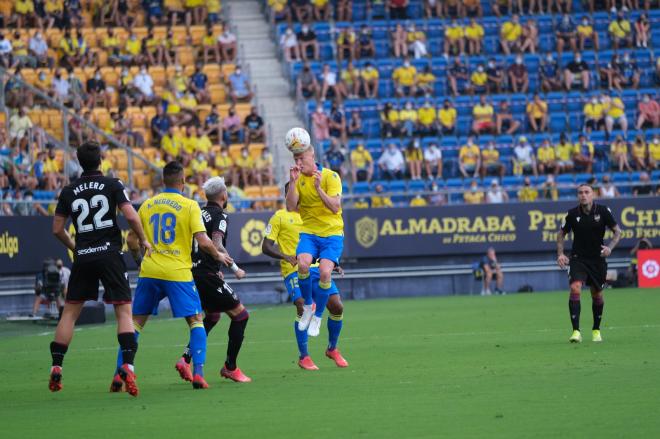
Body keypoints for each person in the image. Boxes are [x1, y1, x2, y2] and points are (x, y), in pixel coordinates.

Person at [48, 141, 151, 397]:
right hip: (110, 254)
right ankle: (127, 364)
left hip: (84, 255)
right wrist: (144, 238)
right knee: (124, 311)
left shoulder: (69, 190)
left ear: (79, 162)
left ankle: (57, 366)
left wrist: (74, 247)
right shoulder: (113, 184)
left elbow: (57, 229)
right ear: (101, 160)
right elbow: (130, 215)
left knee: (70, 313)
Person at [121, 161, 231, 390]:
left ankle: (118, 374)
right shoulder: (189, 205)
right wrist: (219, 256)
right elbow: (203, 241)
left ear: (163, 181)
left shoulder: (147, 205)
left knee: (135, 324)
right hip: (178, 272)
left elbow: (131, 240)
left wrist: (139, 261)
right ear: (182, 182)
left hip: (150, 270)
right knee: (196, 321)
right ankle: (199, 373)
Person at [172, 177, 250, 384]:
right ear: (224, 196)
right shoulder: (221, 215)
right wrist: (234, 268)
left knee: (212, 316)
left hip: (192, 273)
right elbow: (216, 243)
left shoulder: (197, 212)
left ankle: (185, 359)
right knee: (241, 316)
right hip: (206, 274)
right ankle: (230, 367)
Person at [262, 182, 348, 370]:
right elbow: (265, 247)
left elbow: (324, 242)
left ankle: (332, 348)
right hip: (294, 270)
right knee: (302, 305)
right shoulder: (279, 217)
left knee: (337, 306)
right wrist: (286, 256)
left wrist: (332, 263)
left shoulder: (312, 216)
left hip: (318, 268)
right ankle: (304, 356)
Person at [285, 129, 346, 341]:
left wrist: (319, 189)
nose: (298, 162)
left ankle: (318, 316)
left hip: (331, 234)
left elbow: (335, 207)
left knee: (325, 273)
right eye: (295, 158)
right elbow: (291, 207)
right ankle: (310, 307)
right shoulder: (299, 180)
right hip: (309, 233)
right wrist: (292, 182)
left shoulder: (330, 176)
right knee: (302, 264)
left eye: (301, 158)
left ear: (312, 156)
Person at [557, 184, 622, 343]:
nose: (583, 195)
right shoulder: (572, 214)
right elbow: (561, 235)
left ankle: (596, 330)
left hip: (597, 260)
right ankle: (576, 331)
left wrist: (610, 248)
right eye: (580, 193)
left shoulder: (603, 211)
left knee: (597, 294)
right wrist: (560, 254)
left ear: (593, 194)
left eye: (586, 192)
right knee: (575, 287)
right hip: (578, 258)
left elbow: (617, 232)